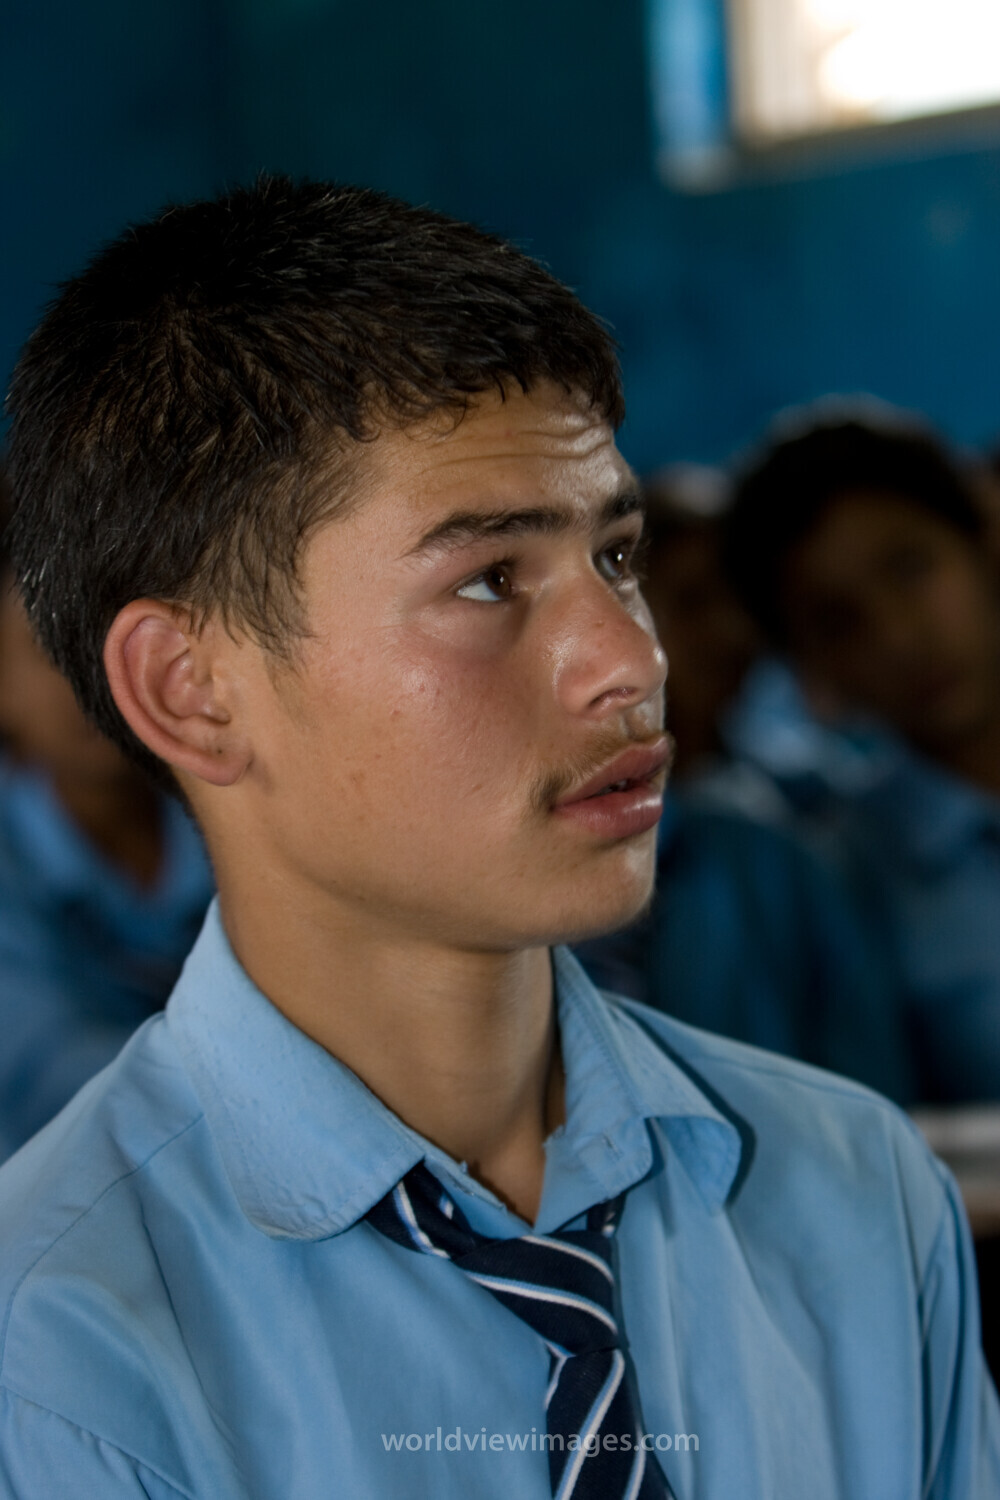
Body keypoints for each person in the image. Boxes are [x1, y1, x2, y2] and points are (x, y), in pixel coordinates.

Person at [0, 178, 996, 1498]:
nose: (627, 661)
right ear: (195, 689)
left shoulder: (852, 1193)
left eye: (618, 558)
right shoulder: (58, 1349)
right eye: (487, 580)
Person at [576, 466, 913, 1103]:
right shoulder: (566, 816)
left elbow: (863, 1081)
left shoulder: (801, 830)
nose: (731, 633)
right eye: (694, 600)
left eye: (747, 606)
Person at [724, 410, 1000, 1106]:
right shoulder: (843, 879)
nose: (900, 636)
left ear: (983, 543)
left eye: (910, 567)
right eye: (839, 620)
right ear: (810, 670)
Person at [0, 474, 213, 1160]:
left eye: (101, 644)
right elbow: (45, 1068)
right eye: (43, 653)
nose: (87, 682)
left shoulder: (220, 798)